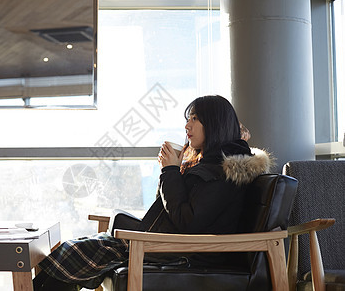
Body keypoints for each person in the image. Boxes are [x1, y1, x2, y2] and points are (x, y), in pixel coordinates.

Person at [33, 95, 273, 291]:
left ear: (215, 123)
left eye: (195, 119)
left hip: (187, 255)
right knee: (71, 251)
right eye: (188, 119)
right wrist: (173, 171)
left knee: (77, 252)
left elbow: (186, 221)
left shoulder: (224, 172)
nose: (187, 126)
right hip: (170, 246)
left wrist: (170, 171)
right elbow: (179, 212)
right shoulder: (211, 164)